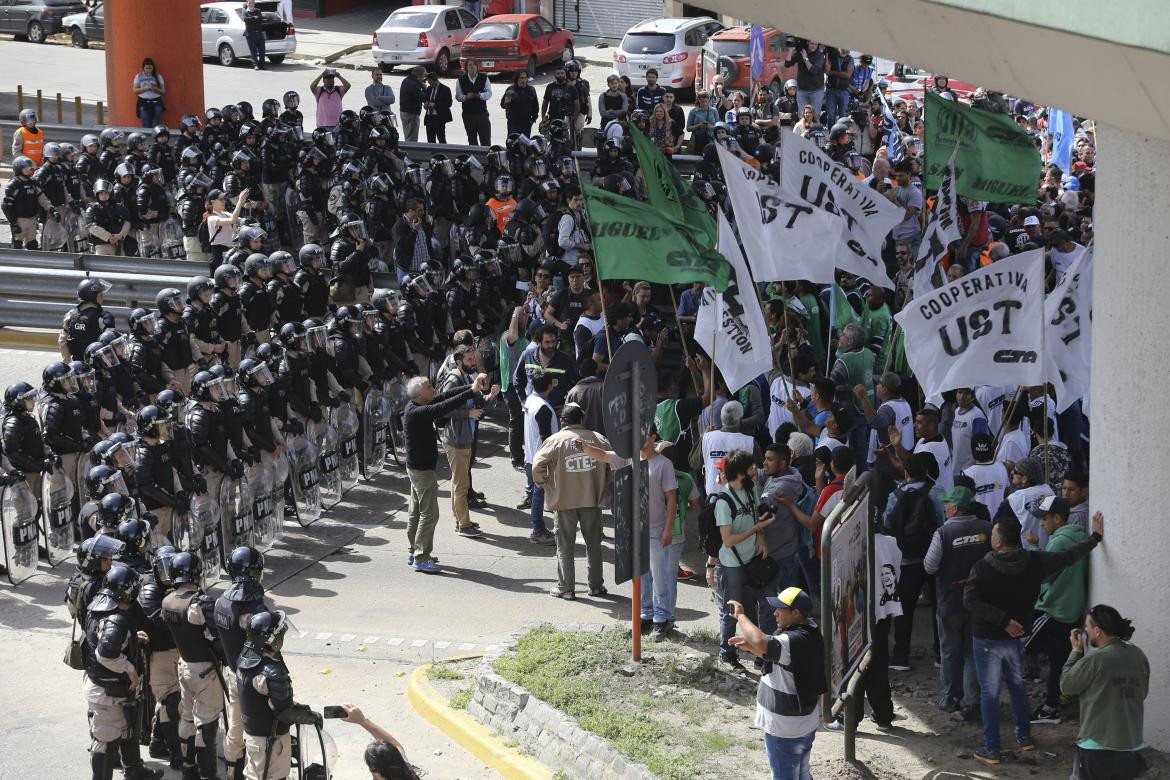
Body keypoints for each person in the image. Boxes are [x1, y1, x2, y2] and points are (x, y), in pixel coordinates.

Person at [962, 511, 1105, 765]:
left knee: (990, 693)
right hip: (1017, 637)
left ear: (998, 542)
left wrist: (1002, 621)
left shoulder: (982, 567)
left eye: (994, 534)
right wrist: (1094, 537)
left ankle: (992, 748)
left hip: (987, 638)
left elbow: (970, 600)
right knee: (1017, 686)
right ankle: (1024, 736)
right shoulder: (1035, 561)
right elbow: (1069, 557)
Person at [727, 587, 826, 780]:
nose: (775, 613)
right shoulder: (809, 630)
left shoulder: (791, 640)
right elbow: (777, 656)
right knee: (803, 773)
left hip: (785, 730)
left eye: (780, 609)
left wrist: (741, 616)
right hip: (803, 723)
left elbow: (763, 642)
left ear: (796, 613)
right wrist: (751, 647)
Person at [402, 372, 494, 572]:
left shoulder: (417, 405)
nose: (433, 389)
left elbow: (445, 396)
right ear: (419, 395)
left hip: (417, 469)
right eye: (428, 387)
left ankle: (414, 549)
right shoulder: (417, 412)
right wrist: (471, 391)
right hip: (422, 471)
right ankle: (421, 557)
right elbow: (444, 406)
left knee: (416, 512)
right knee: (429, 514)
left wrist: (471, 387)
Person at [83, 565, 164, 780]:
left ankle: (134, 770)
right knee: (106, 742)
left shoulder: (99, 607)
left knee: (128, 729)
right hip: (107, 691)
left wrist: (131, 638)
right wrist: (130, 669)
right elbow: (106, 654)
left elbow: (104, 636)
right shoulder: (116, 619)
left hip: (115, 688)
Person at [924, 484, 991, 721]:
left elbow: (930, 566)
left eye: (947, 503)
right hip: (980, 601)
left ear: (955, 508)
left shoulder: (942, 534)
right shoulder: (987, 529)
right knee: (973, 651)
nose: (944, 507)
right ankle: (972, 700)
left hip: (950, 600)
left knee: (950, 651)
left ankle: (950, 698)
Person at [1061, 605, 1150, 780]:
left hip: (1096, 747)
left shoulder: (1095, 659)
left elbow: (1066, 686)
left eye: (1087, 627)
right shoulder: (1138, 655)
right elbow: (1142, 693)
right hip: (1131, 746)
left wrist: (1075, 651)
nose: (1085, 631)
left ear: (1097, 631)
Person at [1023, 496, 1091, 726]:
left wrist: (1033, 547)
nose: (1041, 524)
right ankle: (1051, 708)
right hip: (1071, 610)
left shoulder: (1058, 542)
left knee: (1016, 647)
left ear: (1058, 518)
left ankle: (1043, 706)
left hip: (1054, 608)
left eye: (1044, 519)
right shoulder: (1079, 535)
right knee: (1058, 663)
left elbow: (1043, 573)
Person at [534, 403, 612, 598]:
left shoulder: (555, 441)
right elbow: (614, 465)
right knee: (594, 544)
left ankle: (566, 588)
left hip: (564, 501)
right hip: (592, 500)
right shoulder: (598, 439)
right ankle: (596, 586)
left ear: (563, 421)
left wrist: (544, 483)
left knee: (565, 545)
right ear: (581, 419)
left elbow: (537, 466)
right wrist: (603, 482)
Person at [160, 551, 224, 780]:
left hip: (184, 665)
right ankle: (207, 774)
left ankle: (189, 766)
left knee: (187, 717)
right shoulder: (200, 602)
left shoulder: (167, 601)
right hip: (205, 670)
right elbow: (218, 635)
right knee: (207, 722)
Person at [237, 610, 321, 780]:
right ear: (272, 639)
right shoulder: (271, 672)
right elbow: (285, 712)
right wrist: (312, 717)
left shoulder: (245, 661)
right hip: (270, 742)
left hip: (253, 737)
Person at [712, 449, 774, 670]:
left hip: (751, 559)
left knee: (752, 607)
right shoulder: (723, 501)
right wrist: (756, 529)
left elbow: (757, 515)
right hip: (732, 564)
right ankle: (727, 653)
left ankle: (755, 649)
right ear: (740, 472)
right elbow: (727, 540)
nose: (755, 470)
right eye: (750, 467)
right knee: (732, 609)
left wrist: (761, 536)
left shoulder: (750, 489)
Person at [213, 547, 271, 780]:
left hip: (231, 671)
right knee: (258, 731)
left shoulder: (220, 602)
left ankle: (231, 773)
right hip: (253, 676)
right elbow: (265, 640)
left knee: (235, 727)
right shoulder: (251, 607)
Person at [883, 451, 944, 672]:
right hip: (934, 557)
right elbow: (943, 521)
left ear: (907, 472)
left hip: (906, 559)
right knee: (939, 606)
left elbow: (887, 521)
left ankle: (901, 656)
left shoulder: (895, 495)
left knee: (904, 608)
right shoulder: (936, 492)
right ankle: (940, 654)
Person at [438, 345, 495, 539]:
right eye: (470, 360)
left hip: (464, 437)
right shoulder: (454, 379)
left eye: (474, 359)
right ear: (459, 361)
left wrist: (491, 396)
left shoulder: (469, 377)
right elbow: (442, 408)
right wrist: (467, 413)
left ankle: (460, 518)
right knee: (461, 484)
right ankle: (463, 524)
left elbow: (479, 403)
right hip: (456, 439)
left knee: (459, 482)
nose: (474, 363)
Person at [521, 372, 559, 545]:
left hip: (531, 456)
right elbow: (546, 438)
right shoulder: (543, 407)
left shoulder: (530, 400)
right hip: (540, 460)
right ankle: (537, 532)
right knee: (538, 496)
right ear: (550, 386)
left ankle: (540, 528)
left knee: (538, 495)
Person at [341, 705, 421, 780]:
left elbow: (394, 744)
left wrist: (362, 721)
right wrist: (362, 721)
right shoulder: (406, 770)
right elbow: (394, 743)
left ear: (377, 773)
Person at [701, 401, 757, 497]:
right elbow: (759, 470)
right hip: (741, 498)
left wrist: (703, 436)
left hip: (713, 497)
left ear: (722, 418)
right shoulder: (750, 442)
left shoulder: (707, 437)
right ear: (740, 419)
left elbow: (694, 462)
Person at [963, 432, 1008, 514]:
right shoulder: (1002, 467)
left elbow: (963, 505)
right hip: (999, 522)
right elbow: (1006, 494)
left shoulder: (966, 474)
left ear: (972, 451)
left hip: (978, 524)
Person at [785, 40, 826, 115]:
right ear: (807, 43)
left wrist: (805, 58)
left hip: (816, 91)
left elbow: (813, 71)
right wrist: (790, 50)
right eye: (812, 43)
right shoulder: (800, 53)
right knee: (802, 116)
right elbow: (787, 64)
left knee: (815, 116)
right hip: (802, 90)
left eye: (815, 44)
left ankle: (815, 127)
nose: (813, 46)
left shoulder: (819, 55)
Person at [457, 60, 492, 146]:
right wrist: (466, 97)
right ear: (466, 68)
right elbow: (458, 96)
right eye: (470, 65)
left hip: (482, 113)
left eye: (474, 65)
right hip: (468, 114)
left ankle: (485, 158)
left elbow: (489, 93)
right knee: (472, 140)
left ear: (477, 67)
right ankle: (474, 158)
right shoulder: (461, 80)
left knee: (485, 139)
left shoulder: (484, 78)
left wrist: (480, 95)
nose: (472, 66)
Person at [502, 71, 539, 137]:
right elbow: (502, 105)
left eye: (525, 78)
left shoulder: (531, 90)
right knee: (513, 143)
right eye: (521, 78)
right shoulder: (511, 89)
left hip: (526, 123)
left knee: (525, 144)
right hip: (514, 123)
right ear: (517, 79)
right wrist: (506, 101)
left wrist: (533, 120)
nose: (523, 80)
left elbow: (535, 106)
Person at [133, 58, 167, 127]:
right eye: (147, 68)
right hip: (143, 101)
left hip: (156, 101)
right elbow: (135, 90)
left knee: (156, 123)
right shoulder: (139, 76)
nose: (148, 70)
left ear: (153, 67)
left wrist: (155, 89)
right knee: (145, 122)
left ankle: (155, 136)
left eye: (150, 68)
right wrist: (145, 88)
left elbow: (163, 91)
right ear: (143, 68)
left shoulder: (158, 76)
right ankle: (147, 136)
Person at [422, 71, 453, 144]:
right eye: (429, 83)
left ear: (435, 80)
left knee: (441, 138)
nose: (430, 85)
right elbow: (426, 99)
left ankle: (443, 154)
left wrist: (435, 105)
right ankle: (432, 154)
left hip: (439, 117)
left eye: (431, 83)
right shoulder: (429, 88)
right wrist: (426, 104)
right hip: (429, 116)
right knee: (430, 139)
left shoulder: (445, 89)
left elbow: (449, 103)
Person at [399, 67, 427, 142]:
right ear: (419, 76)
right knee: (412, 138)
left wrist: (420, 84)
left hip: (404, 112)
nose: (424, 78)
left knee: (408, 135)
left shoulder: (407, 80)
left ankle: (408, 151)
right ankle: (410, 153)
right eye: (423, 76)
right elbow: (423, 97)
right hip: (411, 113)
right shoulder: (413, 84)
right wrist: (424, 88)